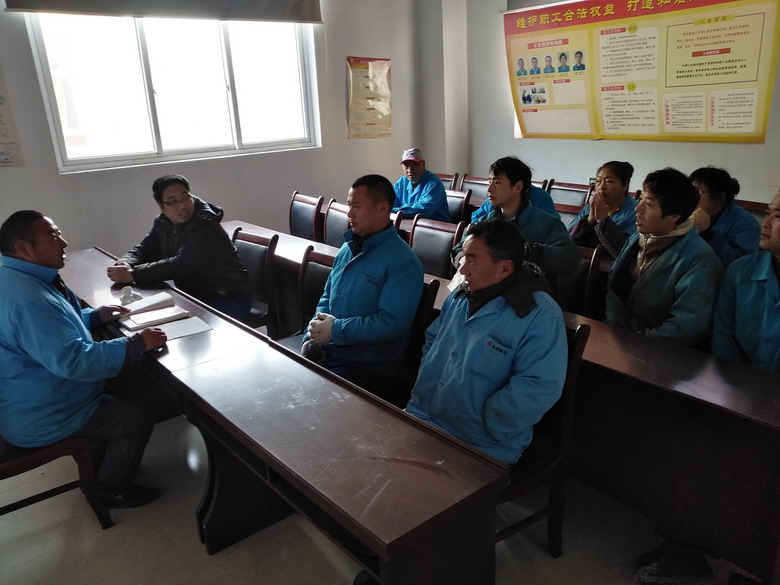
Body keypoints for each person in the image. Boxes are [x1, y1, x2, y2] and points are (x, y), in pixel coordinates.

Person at [352, 220, 567, 585]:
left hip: (481, 439)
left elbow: (539, 386)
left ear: (505, 268)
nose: (461, 268)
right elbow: (433, 339)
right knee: (377, 473)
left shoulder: (538, 314)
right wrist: (428, 394)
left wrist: (485, 421)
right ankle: (392, 560)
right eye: (461, 256)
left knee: (426, 501)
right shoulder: (463, 293)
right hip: (428, 416)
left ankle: (415, 568)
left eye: (471, 258)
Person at [0, 210, 167, 508]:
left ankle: (106, 461)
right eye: (52, 236)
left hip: (31, 397)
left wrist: (94, 317)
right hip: (44, 414)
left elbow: (54, 329)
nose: (63, 242)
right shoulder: (30, 300)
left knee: (124, 385)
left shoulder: (16, 278)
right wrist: (135, 344)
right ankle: (108, 490)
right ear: (24, 248)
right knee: (135, 419)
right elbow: (73, 361)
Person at [303, 174, 424, 404]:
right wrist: (313, 334)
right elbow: (327, 295)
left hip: (367, 366)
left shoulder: (403, 262)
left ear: (382, 208)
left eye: (356, 206)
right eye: (349, 205)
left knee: (310, 400)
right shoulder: (348, 247)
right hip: (332, 351)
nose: (349, 214)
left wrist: (335, 330)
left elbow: (391, 323)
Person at [106, 174, 251, 321]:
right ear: (161, 206)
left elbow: (181, 264)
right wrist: (125, 263)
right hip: (193, 296)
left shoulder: (205, 225)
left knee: (164, 323)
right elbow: (145, 248)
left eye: (185, 197)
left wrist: (133, 274)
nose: (182, 206)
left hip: (227, 299)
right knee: (140, 316)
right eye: (173, 201)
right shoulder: (163, 223)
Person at [605, 168, 723, 348]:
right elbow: (614, 288)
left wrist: (637, 341)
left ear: (674, 215)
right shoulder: (636, 239)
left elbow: (687, 326)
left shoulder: (700, 259)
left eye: (649, 204)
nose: (638, 209)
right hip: (620, 339)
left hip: (660, 351)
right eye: (641, 199)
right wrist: (615, 327)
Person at [454, 157, 579, 284]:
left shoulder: (547, 223)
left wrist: (527, 251)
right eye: (489, 182)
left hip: (530, 291)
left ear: (518, 187)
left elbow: (570, 260)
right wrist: (464, 260)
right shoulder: (486, 221)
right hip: (487, 289)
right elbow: (458, 249)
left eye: (497, 182)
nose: (489, 189)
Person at [712, 188, 780, 371]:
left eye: (778, 216)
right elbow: (723, 336)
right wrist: (736, 379)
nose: (765, 223)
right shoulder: (740, 271)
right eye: (767, 213)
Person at [688, 166, 760, 266]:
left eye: (698, 192)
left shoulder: (746, 223)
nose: (691, 196)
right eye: (690, 191)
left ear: (720, 196)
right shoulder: (687, 213)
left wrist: (707, 233)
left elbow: (742, 265)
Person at [568, 161, 638, 258]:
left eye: (609, 182)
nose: (601, 187)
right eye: (598, 181)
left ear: (625, 185)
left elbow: (626, 252)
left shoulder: (635, 212)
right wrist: (589, 220)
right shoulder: (590, 207)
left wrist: (603, 221)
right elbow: (567, 239)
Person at [391, 147, 450, 222]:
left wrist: (393, 210)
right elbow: (390, 202)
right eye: (406, 165)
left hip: (436, 226)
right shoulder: (402, 182)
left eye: (415, 165)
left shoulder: (434, 184)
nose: (410, 170)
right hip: (409, 224)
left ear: (423, 164)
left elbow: (423, 210)